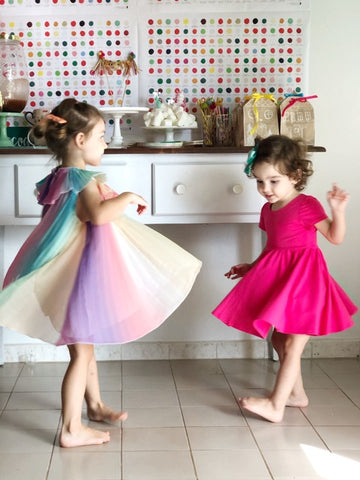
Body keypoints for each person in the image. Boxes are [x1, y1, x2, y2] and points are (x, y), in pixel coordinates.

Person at [0, 98, 201, 447]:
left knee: (85, 348)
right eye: (101, 136)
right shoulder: (81, 177)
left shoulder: (59, 176)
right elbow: (98, 215)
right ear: (80, 141)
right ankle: (70, 429)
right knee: (82, 355)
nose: (105, 142)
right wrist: (126, 197)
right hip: (75, 277)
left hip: (70, 274)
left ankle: (93, 405)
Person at [212, 135, 357, 423]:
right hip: (282, 281)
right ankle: (296, 394)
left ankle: (276, 405)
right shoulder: (269, 210)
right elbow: (272, 247)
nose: (265, 189)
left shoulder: (306, 205)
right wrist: (251, 267)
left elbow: (335, 237)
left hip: (306, 283)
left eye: (274, 181)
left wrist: (337, 211)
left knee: (292, 345)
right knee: (279, 338)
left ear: (295, 176)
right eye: (259, 181)